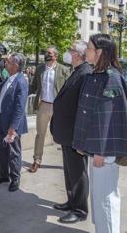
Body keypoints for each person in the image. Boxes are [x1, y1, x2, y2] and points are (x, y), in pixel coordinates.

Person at [72, 34, 127, 233]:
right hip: (96, 149)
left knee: (106, 198)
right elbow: (89, 114)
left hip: (104, 152)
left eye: (89, 48)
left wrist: (101, 152)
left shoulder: (111, 77)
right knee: (98, 196)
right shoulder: (96, 74)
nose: (86, 51)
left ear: (99, 52)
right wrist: (82, 144)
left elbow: (108, 118)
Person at [50, 40, 92, 224]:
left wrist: (81, 137)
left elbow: (85, 109)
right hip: (67, 134)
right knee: (69, 171)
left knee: (78, 173)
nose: (68, 52)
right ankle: (71, 201)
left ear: (78, 54)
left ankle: (80, 210)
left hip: (75, 135)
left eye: (71, 49)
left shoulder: (85, 74)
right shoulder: (77, 71)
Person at [0, 53, 29, 192]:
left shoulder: (21, 82)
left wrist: (13, 128)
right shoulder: (10, 79)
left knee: (14, 152)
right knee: (2, 149)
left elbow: (19, 108)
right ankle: (3, 175)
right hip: (3, 121)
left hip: (12, 125)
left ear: (15, 66)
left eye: (9, 62)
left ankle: (15, 179)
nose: (5, 64)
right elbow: (1, 87)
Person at [29, 46, 70, 172]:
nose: (47, 55)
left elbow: (69, 89)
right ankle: (37, 160)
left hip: (58, 107)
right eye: (46, 52)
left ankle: (67, 162)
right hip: (44, 105)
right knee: (40, 134)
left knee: (63, 135)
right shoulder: (40, 69)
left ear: (56, 56)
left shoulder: (64, 70)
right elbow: (34, 86)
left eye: (50, 53)